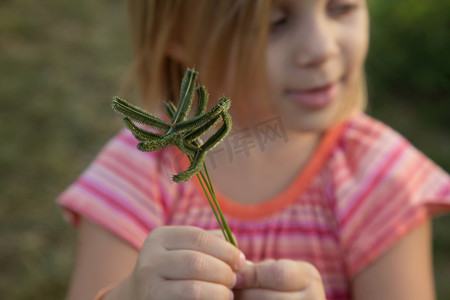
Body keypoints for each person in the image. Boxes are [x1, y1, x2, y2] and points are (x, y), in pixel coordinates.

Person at [58, 0, 450, 299]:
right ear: (179, 34)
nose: (320, 48)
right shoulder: (138, 170)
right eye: (274, 24)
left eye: (341, 7)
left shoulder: (381, 179)